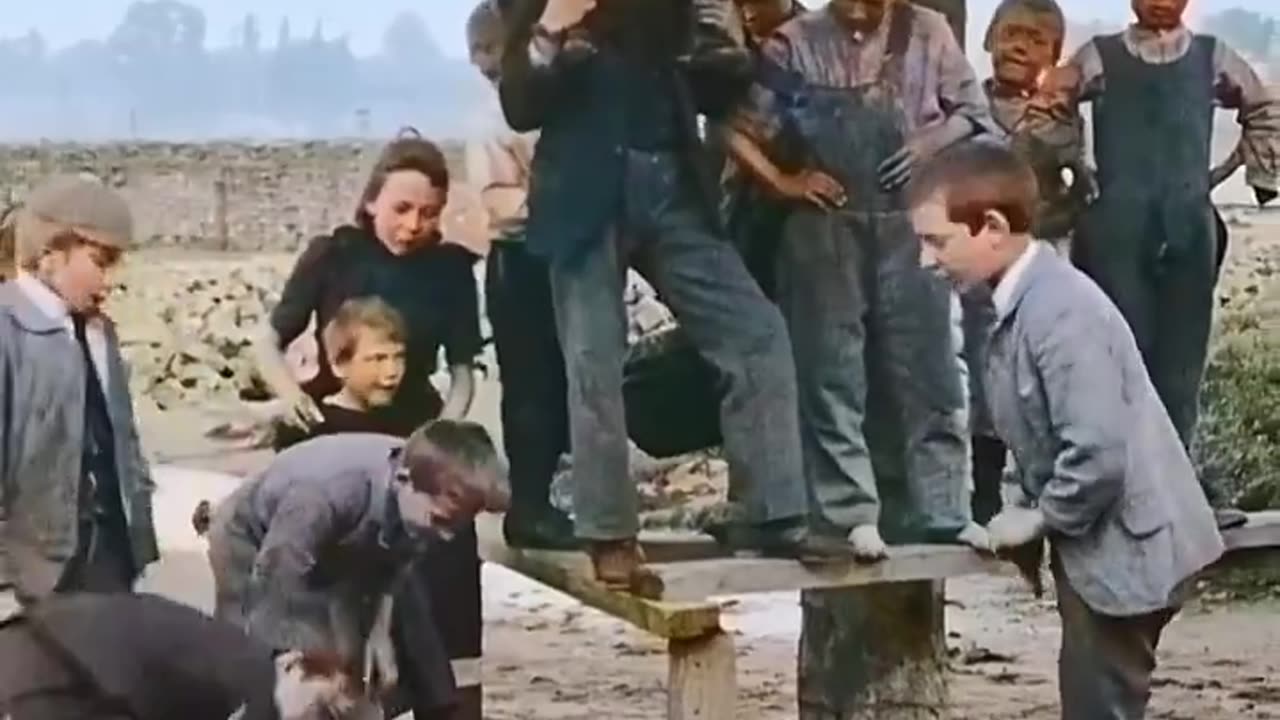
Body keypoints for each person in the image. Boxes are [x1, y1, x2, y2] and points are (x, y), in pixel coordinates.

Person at [499, 0, 857, 590]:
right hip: (585, 195)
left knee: (755, 332)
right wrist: (552, 26)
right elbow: (519, 103)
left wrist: (727, 40)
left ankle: (773, 512)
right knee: (595, 360)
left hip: (674, 186)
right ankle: (609, 532)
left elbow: (719, 84)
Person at [908, 142, 1225, 720]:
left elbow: (1098, 452)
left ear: (994, 228)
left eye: (937, 241)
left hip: (1130, 552)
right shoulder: (1019, 303)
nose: (927, 261)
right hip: (1104, 549)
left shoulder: (1059, 313)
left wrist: (1038, 516)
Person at [725, 0, 993, 558]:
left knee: (932, 371)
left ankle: (944, 509)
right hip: (824, 228)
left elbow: (974, 113)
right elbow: (736, 127)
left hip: (914, 224)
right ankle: (849, 515)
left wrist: (928, 144)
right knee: (831, 373)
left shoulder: (927, 31)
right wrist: (784, 181)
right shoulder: (793, 42)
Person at [251, 134, 487, 716]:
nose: (413, 225)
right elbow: (267, 341)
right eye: (401, 209)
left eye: (428, 213)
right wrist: (288, 395)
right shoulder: (334, 255)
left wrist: (445, 435)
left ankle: (448, 703)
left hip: (416, 435)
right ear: (372, 202)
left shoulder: (450, 269)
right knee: (328, 586)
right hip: (331, 429)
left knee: (445, 585)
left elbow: (461, 371)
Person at [1046, 0, 1280, 529]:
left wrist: (1252, 173)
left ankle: (1181, 496)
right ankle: (1114, 497)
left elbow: (1264, 107)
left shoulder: (1211, 56)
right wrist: (1074, 170)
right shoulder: (1098, 57)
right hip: (1116, 229)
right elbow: (1051, 106)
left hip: (1188, 228)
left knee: (1180, 363)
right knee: (1117, 357)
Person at [268, 299, 481, 720]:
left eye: (398, 357)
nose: (391, 371)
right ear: (340, 363)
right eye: (376, 358)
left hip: (419, 580)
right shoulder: (313, 428)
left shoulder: (419, 423)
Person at [204, 425, 509, 715]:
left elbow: (394, 568)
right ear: (403, 481)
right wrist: (308, 658)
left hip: (336, 540)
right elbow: (276, 580)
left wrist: (379, 635)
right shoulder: (329, 492)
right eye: (441, 521)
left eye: (456, 526)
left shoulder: (420, 500)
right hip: (253, 538)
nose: (447, 536)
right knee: (260, 656)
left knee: (349, 665)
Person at [0, 175, 159, 618]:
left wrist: (138, 539)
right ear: (50, 253)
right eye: (99, 261)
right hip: (37, 576)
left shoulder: (100, 332)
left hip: (110, 559)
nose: (110, 279)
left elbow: (122, 441)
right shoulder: (8, 330)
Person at [963, 0, 1092, 524]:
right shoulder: (962, 107)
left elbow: (1079, 190)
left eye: (1037, 40)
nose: (1020, 46)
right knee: (974, 375)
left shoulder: (1060, 121)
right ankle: (981, 490)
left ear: (1054, 55)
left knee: (1032, 376)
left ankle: (1044, 492)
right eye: (1011, 34)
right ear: (989, 41)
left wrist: (1059, 198)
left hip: (1033, 263)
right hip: (971, 269)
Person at [465, 0, 576, 552]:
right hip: (522, 260)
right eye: (480, 53)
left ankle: (548, 496)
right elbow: (502, 208)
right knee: (532, 387)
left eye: (492, 50)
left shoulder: (547, 102)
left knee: (561, 383)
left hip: (558, 252)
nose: (485, 62)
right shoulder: (493, 122)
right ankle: (530, 504)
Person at [0, 592, 381, 720]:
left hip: (33, 641)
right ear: (292, 664)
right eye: (322, 708)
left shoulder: (230, 654)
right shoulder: (255, 687)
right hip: (55, 671)